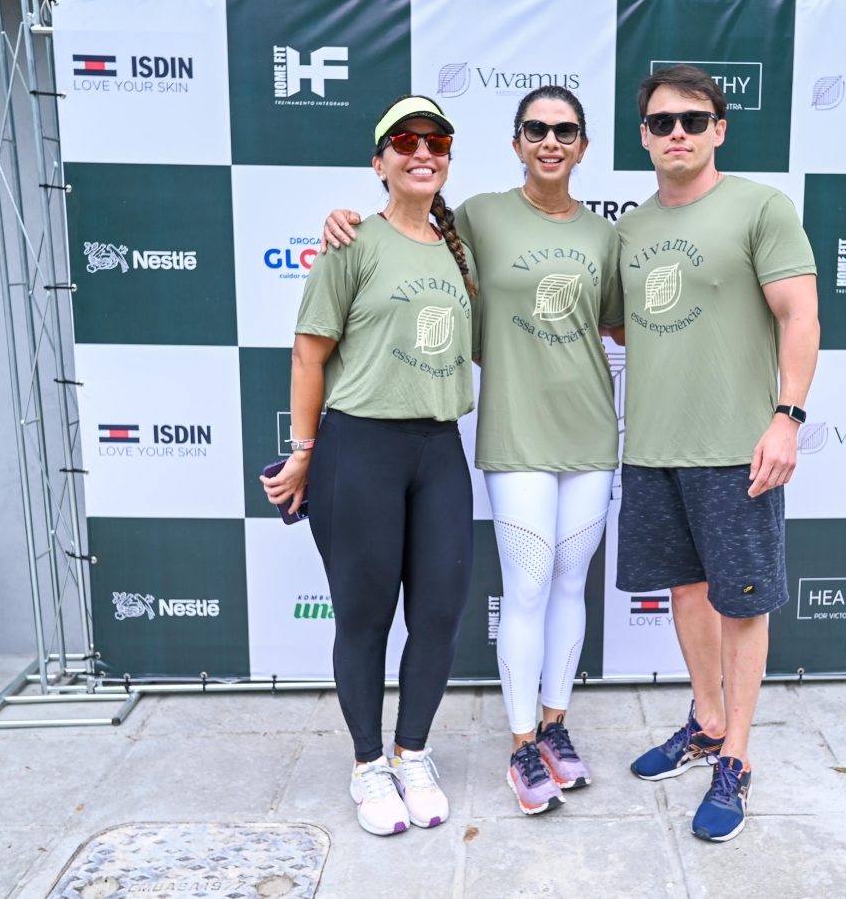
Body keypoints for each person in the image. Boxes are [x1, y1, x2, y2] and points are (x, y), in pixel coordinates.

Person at [322, 86, 623, 816]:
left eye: (566, 131)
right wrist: (341, 221)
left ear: (583, 146)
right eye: (535, 130)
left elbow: (623, 330)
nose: (550, 141)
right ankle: (521, 743)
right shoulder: (479, 216)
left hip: (590, 434)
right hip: (512, 435)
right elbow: (405, 231)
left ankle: (556, 728)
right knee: (524, 585)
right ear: (516, 143)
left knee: (569, 583)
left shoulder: (607, 236)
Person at [263, 94, 478, 837]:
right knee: (364, 616)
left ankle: (411, 751)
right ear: (380, 162)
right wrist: (304, 454)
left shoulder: (459, 248)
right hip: (362, 449)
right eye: (406, 142)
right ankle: (366, 765)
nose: (424, 152)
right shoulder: (351, 241)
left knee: (442, 613)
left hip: (439, 447)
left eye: (437, 140)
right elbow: (308, 353)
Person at [615, 64, 819, 843]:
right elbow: (616, 324)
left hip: (738, 447)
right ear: (644, 134)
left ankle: (736, 755)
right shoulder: (630, 228)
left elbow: (801, 315)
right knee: (689, 591)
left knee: (742, 602)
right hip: (656, 446)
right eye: (663, 122)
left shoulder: (761, 207)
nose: (677, 133)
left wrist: (787, 417)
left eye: (693, 121)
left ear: (719, 129)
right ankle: (704, 721)